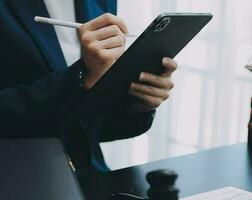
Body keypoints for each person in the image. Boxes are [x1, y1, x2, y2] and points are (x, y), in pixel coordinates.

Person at [0, 0, 177, 172]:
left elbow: (86, 127)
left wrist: (135, 105)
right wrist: (82, 77)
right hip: (18, 177)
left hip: (88, 176)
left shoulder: (101, 3)